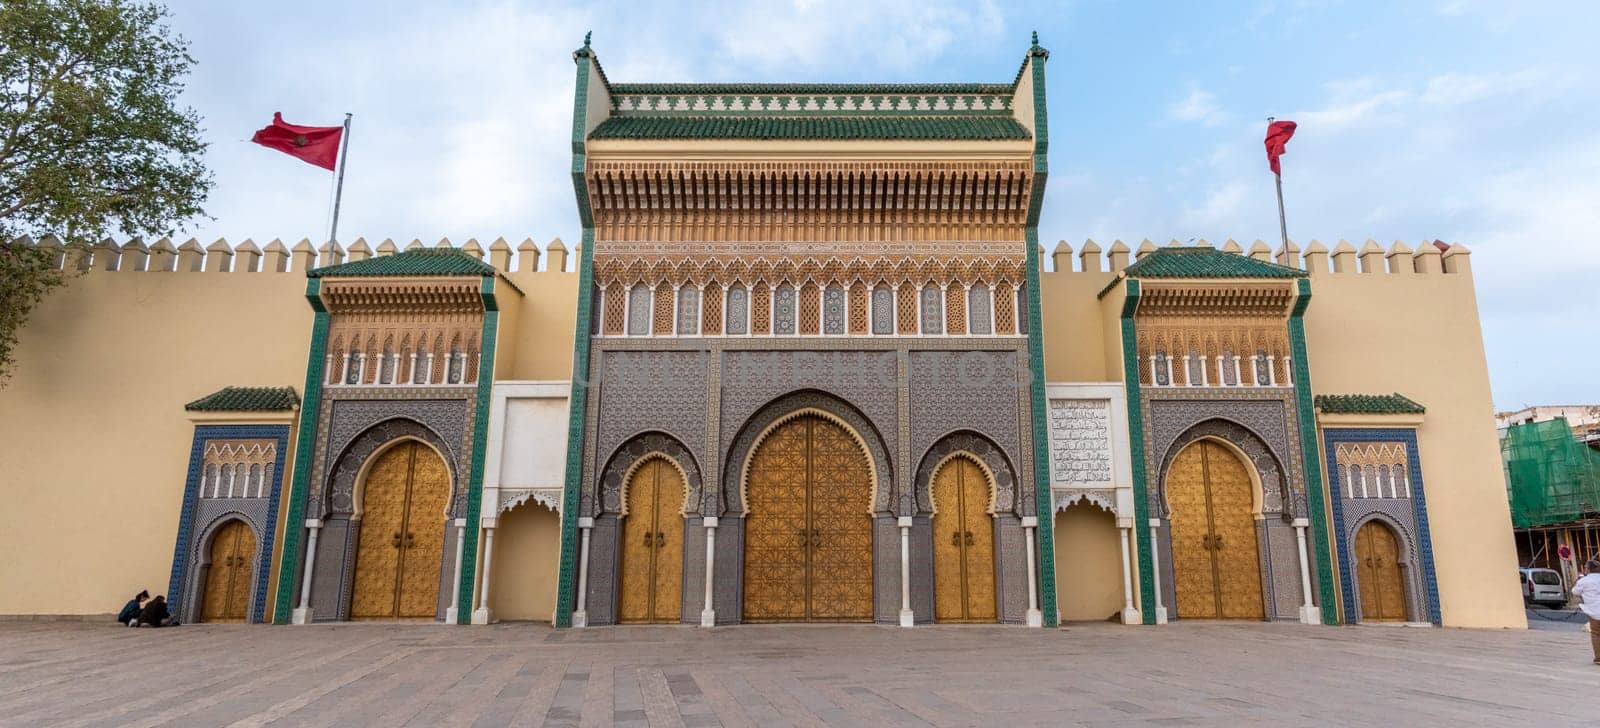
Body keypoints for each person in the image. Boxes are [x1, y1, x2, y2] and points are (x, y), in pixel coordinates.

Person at [1572, 559, 1600, 665]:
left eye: (1585, 568)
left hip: (1594, 611)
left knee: (1596, 634)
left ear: (1588, 569)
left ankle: (1599, 658)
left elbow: (1575, 591)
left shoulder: (1584, 581)